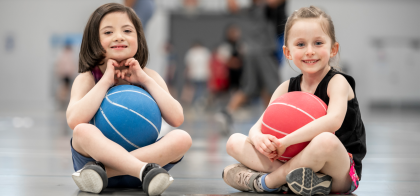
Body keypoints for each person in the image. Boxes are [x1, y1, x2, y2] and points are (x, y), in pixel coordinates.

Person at [222, 6, 366, 196]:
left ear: (333, 49)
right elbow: (258, 126)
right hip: (296, 163)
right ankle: (301, 181)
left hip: (340, 171)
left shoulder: (337, 82)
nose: (309, 51)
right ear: (287, 52)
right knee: (234, 141)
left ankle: (265, 181)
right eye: (300, 44)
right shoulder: (285, 88)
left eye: (318, 43)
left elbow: (333, 122)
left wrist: (285, 141)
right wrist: (259, 139)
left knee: (326, 140)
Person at [67, 3, 191, 195]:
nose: (119, 36)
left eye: (127, 30)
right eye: (108, 32)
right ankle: (141, 169)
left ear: (139, 39)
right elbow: (74, 120)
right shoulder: (88, 78)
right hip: (134, 167)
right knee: (82, 131)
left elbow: (177, 118)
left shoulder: (149, 76)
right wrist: (105, 82)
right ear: (94, 40)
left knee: (182, 138)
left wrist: (145, 80)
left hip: (99, 171)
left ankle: (107, 172)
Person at [217, 0, 281, 133]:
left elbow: (232, 6)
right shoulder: (263, 8)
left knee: (251, 88)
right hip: (263, 52)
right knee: (275, 88)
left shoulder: (249, 9)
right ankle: (273, 121)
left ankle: (227, 113)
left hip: (251, 53)